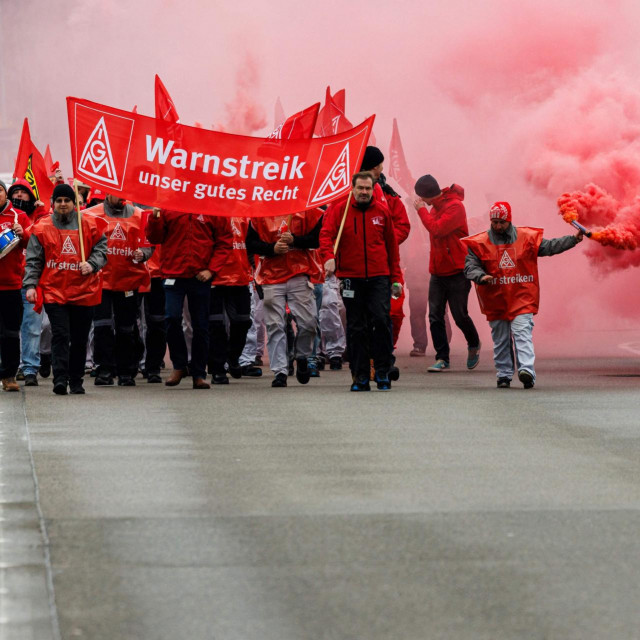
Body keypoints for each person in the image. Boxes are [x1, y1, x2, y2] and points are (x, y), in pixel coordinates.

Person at [462, 201, 583, 389]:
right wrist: (480, 276)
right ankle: (503, 374)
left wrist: (573, 239)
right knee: (501, 339)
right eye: (494, 222)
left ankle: (526, 371)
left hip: (522, 297)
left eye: (501, 222)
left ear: (509, 220)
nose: (498, 226)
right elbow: (470, 266)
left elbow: (550, 246)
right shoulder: (479, 243)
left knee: (522, 333)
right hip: (495, 299)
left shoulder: (527, 238)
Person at [320, 172, 402, 391]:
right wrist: (328, 257)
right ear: (353, 189)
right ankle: (360, 376)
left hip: (379, 278)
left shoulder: (382, 212)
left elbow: (392, 249)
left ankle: (383, 372)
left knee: (382, 322)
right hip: (351, 279)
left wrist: (397, 279)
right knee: (356, 327)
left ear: (372, 189)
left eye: (368, 188)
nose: (364, 192)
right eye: (360, 188)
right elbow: (326, 235)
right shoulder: (340, 210)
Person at [23, 183, 108, 395]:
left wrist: (92, 264)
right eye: (59, 201)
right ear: (53, 203)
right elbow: (34, 260)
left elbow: (102, 249)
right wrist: (31, 285)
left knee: (79, 338)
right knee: (60, 334)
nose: (63, 204)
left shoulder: (89, 225)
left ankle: (76, 380)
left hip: (84, 292)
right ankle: (60, 379)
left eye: (67, 201)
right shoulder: (42, 228)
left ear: (73, 203)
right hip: (55, 292)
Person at [146, 207, 233, 389]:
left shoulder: (212, 206)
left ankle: (199, 373)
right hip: (172, 273)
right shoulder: (168, 206)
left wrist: (211, 270)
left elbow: (225, 242)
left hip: (200, 276)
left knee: (201, 325)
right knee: (171, 318)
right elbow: (154, 238)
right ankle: (179, 365)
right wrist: (155, 218)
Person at [245, 209, 323, 388]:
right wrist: (271, 249)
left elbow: (317, 239)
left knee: (309, 322)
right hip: (271, 277)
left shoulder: (307, 211)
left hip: (299, 273)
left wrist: (295, 240)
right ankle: (280, 371)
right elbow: (250, 243)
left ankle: (302, 355)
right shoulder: (260, 212)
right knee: (275, 325)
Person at [413, 174, 481, 372]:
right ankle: (442, 357)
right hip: (437, 272)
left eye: (421, 198)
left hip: (457, 271)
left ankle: (474, 343)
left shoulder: (455, 207)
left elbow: (437, 230)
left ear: (427, 196)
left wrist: (421, 212)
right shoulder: (435, 208)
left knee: (459, 315)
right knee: (435, 315)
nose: (420, 202)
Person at [87, 195, 153, 386]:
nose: (122, 197)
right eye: (118, 194)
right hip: (102, 281)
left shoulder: (140, 215)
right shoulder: (91, 215)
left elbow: (149, 243)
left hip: (128, 282)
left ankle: (126, 371)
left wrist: (144, 254)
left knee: (126, 328)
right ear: (108, 193)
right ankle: (104, 369)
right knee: (102, 326)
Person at [360, 146, 410, 354]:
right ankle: (364, 355)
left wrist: (384, 241)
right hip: (357, 267)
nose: (382, 168)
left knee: (394, 312)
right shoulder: (349, 198)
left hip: (387, 263)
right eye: (379, 164)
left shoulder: (390, 197)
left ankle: (386, 349)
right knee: (359, 315)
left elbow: (403, 226)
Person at [7, 179, 48, 386]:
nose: (19, 196)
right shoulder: (6, 218)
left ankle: (30, 367)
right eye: (15, 193)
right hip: (10, 282)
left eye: (24, 193)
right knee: (10, 329)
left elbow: (37, 239)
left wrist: (24, 232)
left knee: (33, 327)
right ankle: (10, 369)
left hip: (32, 281)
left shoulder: (29, 217)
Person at [207, 217, 254, 384]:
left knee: (243, 321)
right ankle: (218, 368)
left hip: (240, 277)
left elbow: (252, 242)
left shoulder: (243, 214)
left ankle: (233, 357)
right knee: (215, 325)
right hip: (214, 277)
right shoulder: (209, 212)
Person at [0, 179, 32, 392]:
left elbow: (33, 244)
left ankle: (10, 375)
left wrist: (23, 233)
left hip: (11, 284)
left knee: (11, 332)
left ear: (5, 194)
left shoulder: (19, 216)